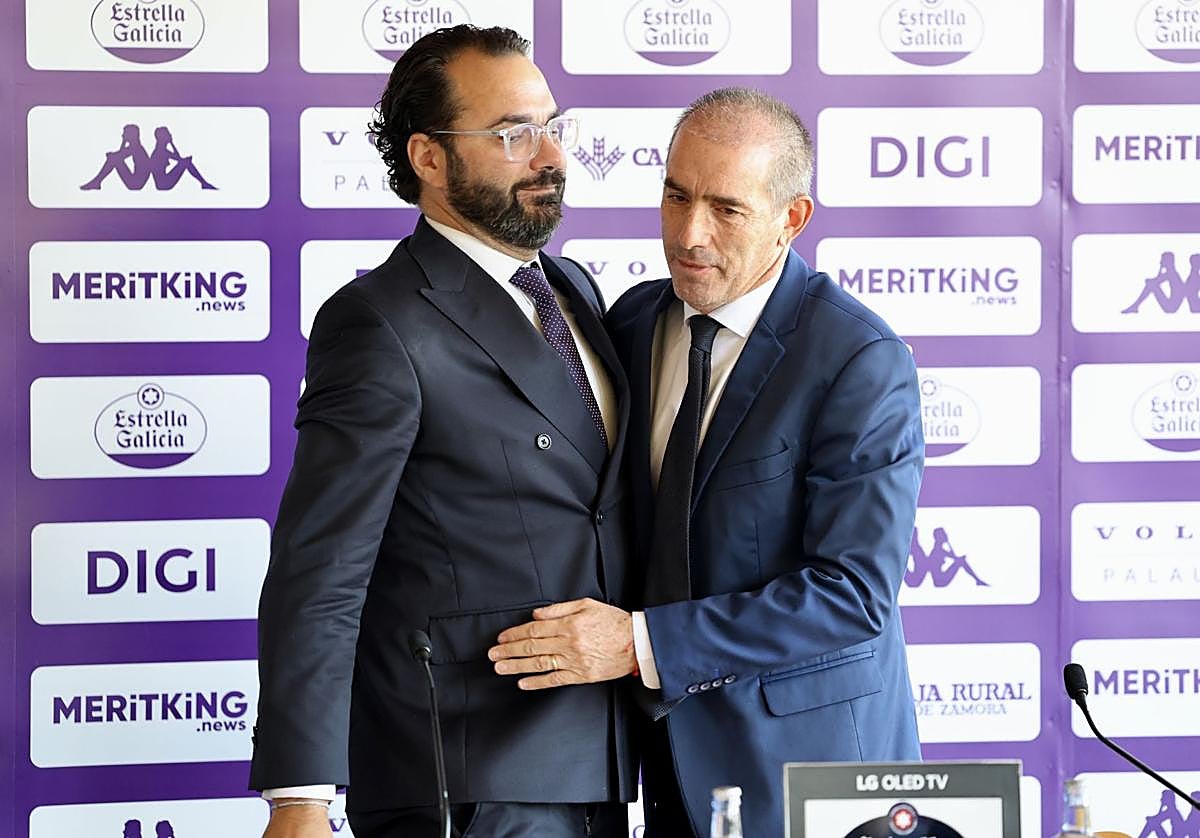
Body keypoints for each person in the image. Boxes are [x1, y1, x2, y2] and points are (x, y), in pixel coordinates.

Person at [489, 87, 924, 837]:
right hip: (661, 773)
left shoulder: (858, 359)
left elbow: (853, 594)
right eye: (676, 196)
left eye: (727, 209)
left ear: (791, 218)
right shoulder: (633, 321)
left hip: (810, 776)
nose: (690, 234)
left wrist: (639, 644)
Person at [250, 25, 636, 838]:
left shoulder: (574, 290)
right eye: (512, 134)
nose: (550, 157)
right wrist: (300, 797)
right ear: (428, 158)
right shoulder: (378, 322)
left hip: (605, 762)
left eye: (553, 127)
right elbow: (321, 569)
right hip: (463, 779)